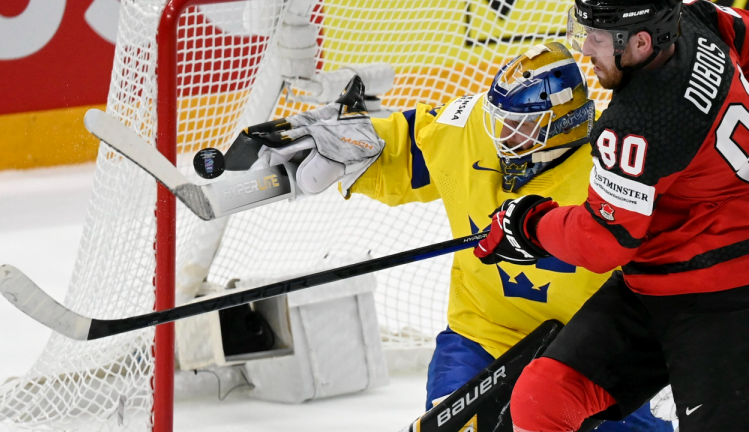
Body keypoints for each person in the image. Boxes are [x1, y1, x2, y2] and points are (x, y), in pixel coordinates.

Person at [240, 41, 671, 430]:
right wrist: (356, 143)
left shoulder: (616, 174)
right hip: (482, 336)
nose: (501, 135)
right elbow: (408, 146)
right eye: (498, 120)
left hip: (596, 355)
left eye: (518, 127)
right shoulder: (471, 130)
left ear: (564, 125)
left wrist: (675, 354)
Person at [470, 1, 749, 431]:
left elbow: (601, 241)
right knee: (541, 399)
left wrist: (527, 223)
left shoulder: (639, 124)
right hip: (652, 283)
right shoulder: (693, 17)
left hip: (725, 298)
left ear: (640, 41)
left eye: (598, 37)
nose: (585, 49)